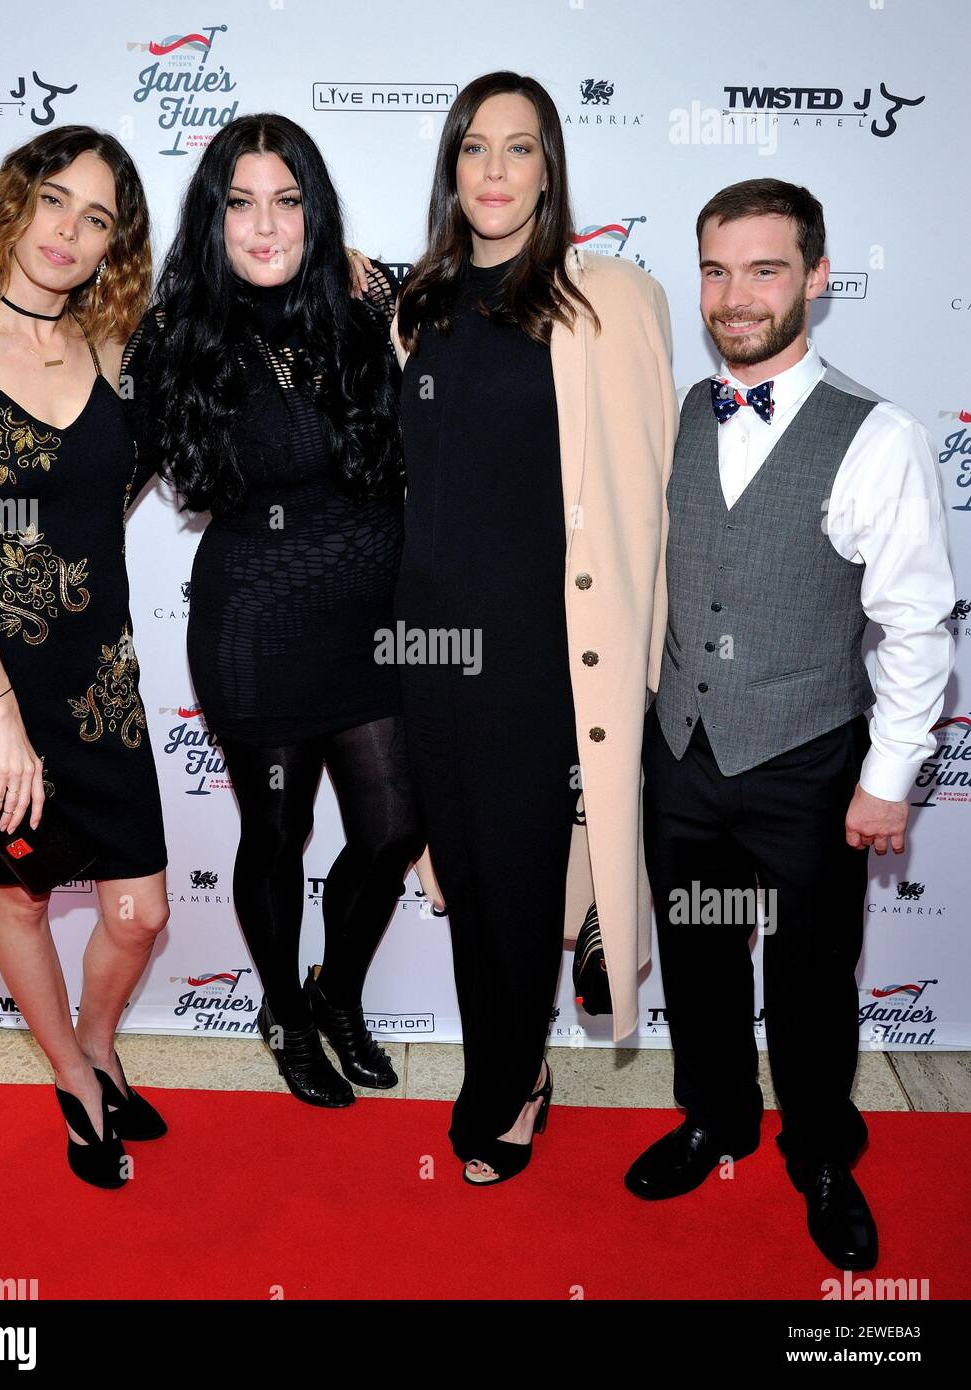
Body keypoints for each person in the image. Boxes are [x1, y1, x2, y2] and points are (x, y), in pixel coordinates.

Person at [626, 178, 956, 1270]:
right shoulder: (677, 410)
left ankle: (820, 1151)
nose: (736, 296)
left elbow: (916, 623)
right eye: (716, 269)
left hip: (809, 759)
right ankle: (715, 1114)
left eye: (765, 269)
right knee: (699, 954)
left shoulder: (880, 435)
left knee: (811, 978)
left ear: (816, 276)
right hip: (681, 751)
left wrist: (890, 775)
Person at [391, 72, 677, 1185]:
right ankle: (515, 1066)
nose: (495, 171)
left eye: (519, 148)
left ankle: (503, 1085)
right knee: (465, 873)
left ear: (550, 166)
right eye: (474, 148)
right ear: (452, 169)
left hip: (542, 651)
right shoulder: (421, 305)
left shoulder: (608, 298)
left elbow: (647, 496)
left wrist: (642, 671)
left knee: (515, 875)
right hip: (429, 646)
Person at [121, 115, 425, 1107]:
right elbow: (104, 471)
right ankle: (283, 1013)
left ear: (316, 212)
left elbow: (493, 301)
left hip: (376, 626)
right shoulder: (178, 333)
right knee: (277, 828)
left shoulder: (368, 298)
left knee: (390, 829)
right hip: (257, 624)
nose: (265, 227)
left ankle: (334, 992)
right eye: (241, 203)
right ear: (214, 219)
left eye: (287, 201)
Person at [0, 126, 171, 1191]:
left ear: (113, 246)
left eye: (96, 218)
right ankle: (71, 1075)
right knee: (20, 899)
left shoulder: (115, 352)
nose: (68, 231)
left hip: (100, 682)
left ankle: (98, 1041)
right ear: (17, 203)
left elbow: (113, 490)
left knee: (138, 910)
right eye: (55, 200)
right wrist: (2, 716)